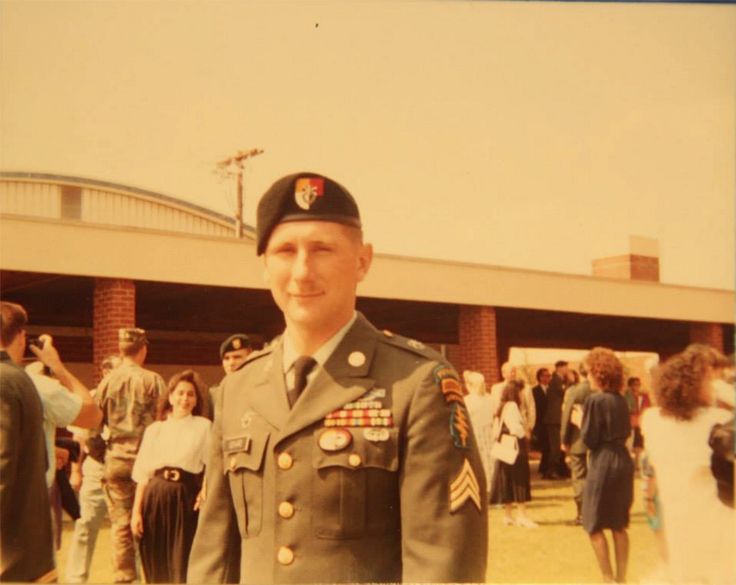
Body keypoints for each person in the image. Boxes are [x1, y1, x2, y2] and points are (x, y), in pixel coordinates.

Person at [188, 172, 488, 584]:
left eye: (322, 249)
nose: (302, 271)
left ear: (362, 260)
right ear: (264, 266)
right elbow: (213, 556)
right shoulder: (240, 387)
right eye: (284, 251)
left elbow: (442, 563)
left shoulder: (416, 383)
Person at [641, 344, 735, 584]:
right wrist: (726, 392)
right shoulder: (718, 423)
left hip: (678, 525)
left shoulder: (651, 421)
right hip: (716, 525)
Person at [97, 327, 166, 583]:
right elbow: (164, 422)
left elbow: (92, 426)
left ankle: (124, 579)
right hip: (147, 462)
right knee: (151, 523)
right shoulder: (153, 380)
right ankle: (155, 575)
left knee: (121, 526)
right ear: (143, 349)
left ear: (121, 350)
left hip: (116, 458)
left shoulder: (107, 382)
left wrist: (101, 453)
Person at [131, 370, 212, 583]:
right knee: (154, 558)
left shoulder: (203, 427)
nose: (184, 399)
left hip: (184, 498)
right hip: (155, 496)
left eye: (190, 394)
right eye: (180, 393)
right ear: (170, 396)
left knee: (181, 559)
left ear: (196, 400)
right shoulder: (155, 430)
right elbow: (143, 475)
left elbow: (211, 466)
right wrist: (136, 512)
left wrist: (204, 491)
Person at [24, 334, 103, 549]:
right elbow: (92, 415)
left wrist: (52, 447)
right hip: (32, 496)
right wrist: (57, 366)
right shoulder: (41, 387)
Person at [0, 301, 56, 582]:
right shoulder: (21, 379)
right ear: (20, 336)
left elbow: (2, 463)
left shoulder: (2, 381)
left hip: (7, 554)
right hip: (28, 545)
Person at [65, 355, 122, 583]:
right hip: (96, 466)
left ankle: (131, 577)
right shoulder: (90, 398)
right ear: (105, 372)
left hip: (124, 468)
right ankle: (76, 578)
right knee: (86, 523)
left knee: (126, 529)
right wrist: (76, 470)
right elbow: (79, 439)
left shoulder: (130, 398)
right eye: (113, 371)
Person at [580, 347, 633, 584]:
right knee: (619, 524)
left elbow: (590, 439)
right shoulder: (621, 400)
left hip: (603, 461)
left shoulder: (594, 400)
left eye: (589, 372)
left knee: (593, 523)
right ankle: (622, 579)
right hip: (623, 460)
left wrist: (577, 421)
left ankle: (607, 579)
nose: (587, 377)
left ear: (598, 374)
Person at [489, 380, 537, 528]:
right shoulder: (513, 406)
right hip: (515, 447)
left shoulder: (502, 406)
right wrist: (525, 432)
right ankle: (522, 515)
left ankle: (508, 515)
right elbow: (515, 428)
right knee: (519, 480)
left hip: (504, 446)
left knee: (507, 480)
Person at [560, 363, 593, 525]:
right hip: (597, 441)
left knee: (579, 476)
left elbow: (566, 417)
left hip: (578, 439)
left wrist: (564, 439)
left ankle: (582, 513)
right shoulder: (598, 390)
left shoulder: (575, 391)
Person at [463, 370, 494, 496]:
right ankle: (490, 490)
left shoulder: (468, 401)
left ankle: (482, 490)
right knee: (489, 461)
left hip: (476, 433)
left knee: (479, 461)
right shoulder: (489, 398)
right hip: (488, 433)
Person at [544, 360, 569, 479]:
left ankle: (558, 470)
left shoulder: (557, 380)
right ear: (559, 368)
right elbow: (565, 393)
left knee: (557, 446)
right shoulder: (556, 381)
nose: (567, 370)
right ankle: (551, 471)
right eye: (565, 368)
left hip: (555, 419)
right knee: (555, 447)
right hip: (554, 419)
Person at [622, 376, 650, 471]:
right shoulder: (626, 396)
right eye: (635, 385)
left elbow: (647, 407)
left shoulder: (643, 396)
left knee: (639, 445)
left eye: (638, 385)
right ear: (630, 386)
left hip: (641, 423)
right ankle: (628, 465)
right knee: (629, 445)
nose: (637, 387)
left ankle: (637, 466)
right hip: (630, 424)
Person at [531, 367, 551, 476]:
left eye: (549, 376)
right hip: (540, 423)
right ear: (540, 377)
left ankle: (547, 468)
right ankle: (544, 468)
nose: (548, 378)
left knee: (550, 446)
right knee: (544, 446)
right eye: (545, 375)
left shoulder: (552, 390)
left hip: (550, 423)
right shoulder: (534, 391)